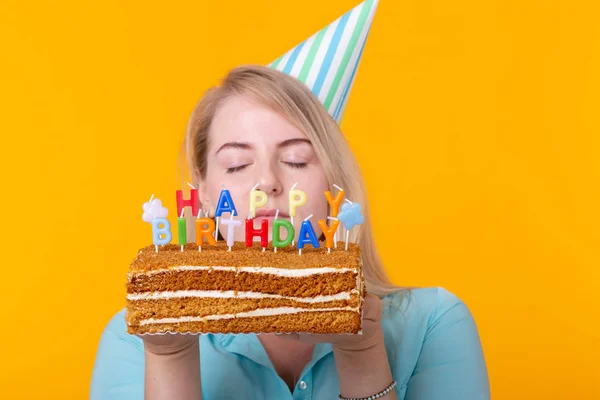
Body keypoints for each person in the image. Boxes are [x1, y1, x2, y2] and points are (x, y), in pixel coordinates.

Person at [90, 65, 490, 399]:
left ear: (336, 185)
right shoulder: (137, 339)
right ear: (204, 195)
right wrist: (171, 357)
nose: (268, 181)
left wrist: (363, 352)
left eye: (297, 160)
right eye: (236, 165)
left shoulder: (435, 323)